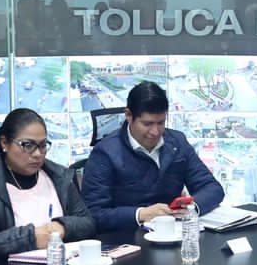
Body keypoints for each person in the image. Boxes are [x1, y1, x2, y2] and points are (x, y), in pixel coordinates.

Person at [78, 81, 225, 236]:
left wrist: (191, 208)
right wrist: (140, 214)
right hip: (127, 238)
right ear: (128, 115)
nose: (155, 132)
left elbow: (212, 188)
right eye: (147, 124)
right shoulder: (105, 152)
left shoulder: (177, 142)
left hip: (173, 233)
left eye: (160, 123)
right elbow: (94, 214)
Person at [0, 108, 96, 258]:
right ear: (4, 143)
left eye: (43, 145)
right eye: (28, 145)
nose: (38, 154)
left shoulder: (59, 177)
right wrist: (30, 238)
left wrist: (63, 227)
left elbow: (87, 223)